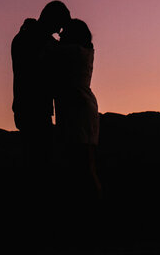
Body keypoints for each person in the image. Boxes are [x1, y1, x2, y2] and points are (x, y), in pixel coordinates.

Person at [11, 0, 71, 176]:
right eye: (58, 27)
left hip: (29, 107)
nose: (58, 33)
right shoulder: (36, 40)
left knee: (35, 160)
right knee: (39, 162)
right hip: (33, 107)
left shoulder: (27, 36)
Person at [53, 17, 101, 201]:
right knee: (85, 164)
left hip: (78, 111)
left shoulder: (73, 52)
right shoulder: (82, 51)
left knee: (84, 165)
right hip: (80, 109)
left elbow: (50, 49)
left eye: (63, 33)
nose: (60, 35)